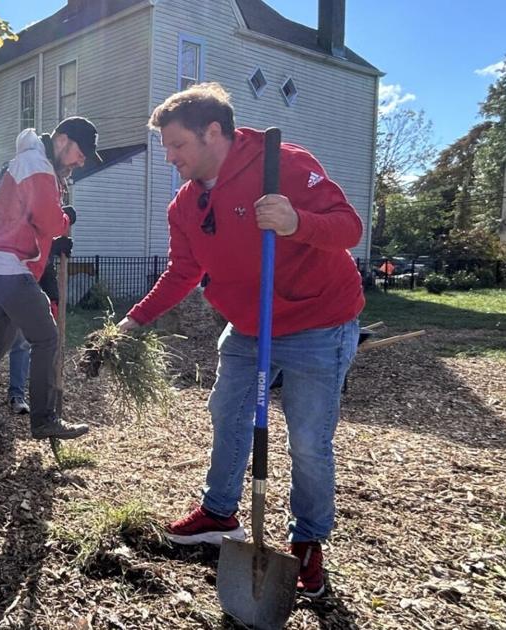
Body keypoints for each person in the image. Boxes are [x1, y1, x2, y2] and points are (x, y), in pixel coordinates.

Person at [117, 83, 363, 597]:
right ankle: (218, 512)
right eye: (166, 147)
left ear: (213, 133)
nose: (171, 157)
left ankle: (308, 542)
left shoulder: (284, 165)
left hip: (318, 322)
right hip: (250, 326)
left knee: (308, 442)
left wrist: (296, 221)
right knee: (227, 415)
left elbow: (348, 227)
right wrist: (135, 320)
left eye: (177, 145)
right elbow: (182, 271)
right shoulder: (184, 205)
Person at [0, 116, 98, 440]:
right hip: (8, 267)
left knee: (0, 338)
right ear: (61, 140)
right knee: (46, 337)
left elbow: (28, 220)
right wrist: (65, 219)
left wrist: (56, 238)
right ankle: (45, 419)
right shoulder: (38, 165)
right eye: (80, 151)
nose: (81, 160)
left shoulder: (32, 162)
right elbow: (48, 222)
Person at [0, 204, 64, 415]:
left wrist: (52, 296)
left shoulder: (32, 213)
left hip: (22, 285)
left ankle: (16, 394)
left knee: (21, 343)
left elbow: (43, 259)